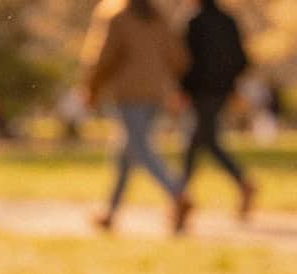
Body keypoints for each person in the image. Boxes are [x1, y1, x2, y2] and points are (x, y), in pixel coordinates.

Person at [84, 0, 192, 234]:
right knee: (125, 153)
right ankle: (110, 212)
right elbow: (178, 58)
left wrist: (92, 87)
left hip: (128, 93)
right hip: (156, 93)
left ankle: (177, 192)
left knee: (140, 148)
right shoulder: (157, 17)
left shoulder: (117, 16)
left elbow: (104, 56)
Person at [180, 0, 255, 220]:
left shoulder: (193, 22)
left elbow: (185, 61)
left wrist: (184, 88)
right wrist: (229, 82)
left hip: (201, 92)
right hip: (221, 92)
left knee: (197, 143)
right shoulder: (228, 21)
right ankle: (182, 194)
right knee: (204, 142)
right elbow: (242, 60)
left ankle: (180, 196)